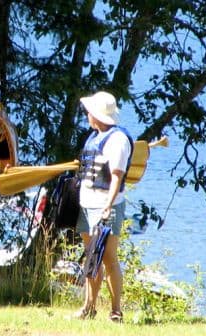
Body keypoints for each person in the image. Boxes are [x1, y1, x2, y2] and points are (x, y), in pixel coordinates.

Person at [73, 91, 133, 322]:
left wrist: (107, 206)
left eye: (90, 112)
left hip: (106, 206)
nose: (87, 115)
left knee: (108, 257)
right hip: (87, 203)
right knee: (91, 257)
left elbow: (117, 177)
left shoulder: (117, 140)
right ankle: (88, 307)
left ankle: (116, 311)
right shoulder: (95, 135)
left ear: (97, 115)